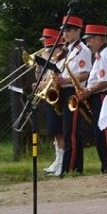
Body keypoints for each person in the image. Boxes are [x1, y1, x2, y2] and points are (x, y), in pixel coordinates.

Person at [79, 24, 107, 173]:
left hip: (105, 96)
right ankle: (106, 166)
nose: (87, 44)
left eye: (89, 40)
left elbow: (106, 81)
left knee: (105, 134)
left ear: (98, 38)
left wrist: (89, 90)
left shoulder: (105, 55)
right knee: (100, 134)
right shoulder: (101, 54)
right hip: (101, 96)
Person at [55, 15, 92, 177]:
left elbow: (85, 74)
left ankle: (70, 168)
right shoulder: (67, 49)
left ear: (78, 31)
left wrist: (65, 79)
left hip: (74, 92)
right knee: (68, 130)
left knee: (72, 132)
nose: (65, 33)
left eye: (69, 30)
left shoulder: (82, 50)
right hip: (64, 91)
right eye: (64, 30)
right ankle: (73, 167)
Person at [36, 27, 64, 175]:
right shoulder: (49, 60)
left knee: (59, 130)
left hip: (57, 97)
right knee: (54, 131)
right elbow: (42, 77)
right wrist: (39, 67)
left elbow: (57, 79)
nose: (43, 47)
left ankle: (62, 161)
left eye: (46, 44)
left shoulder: (59, 60)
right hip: (49, 96)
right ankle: (57, 159)